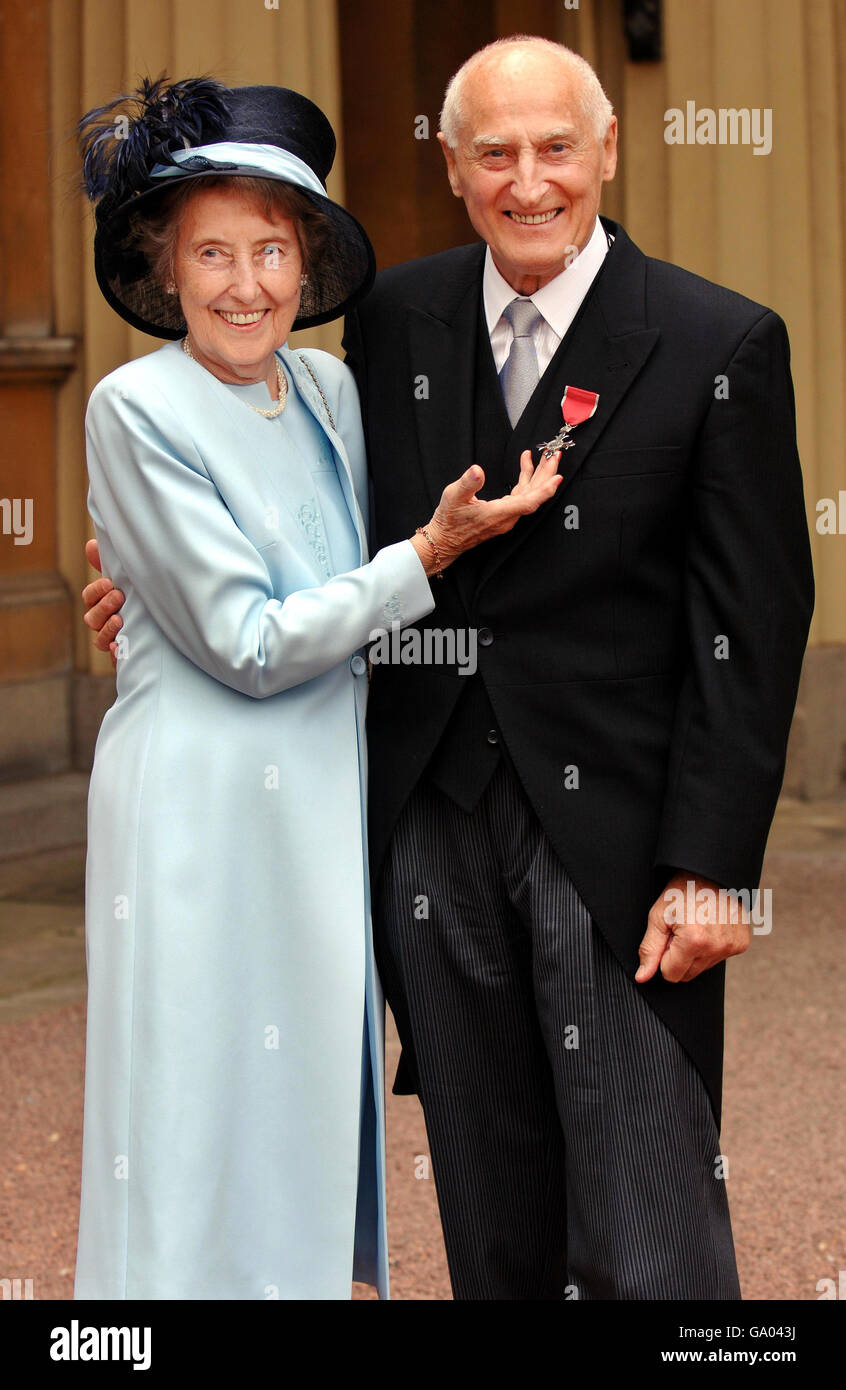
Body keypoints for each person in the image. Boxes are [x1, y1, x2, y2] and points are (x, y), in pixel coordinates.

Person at [86, 40, 815, 1300]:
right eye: (496, 153)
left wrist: (717, 869)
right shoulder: (388, 325)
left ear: (608, 154)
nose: (529, 182)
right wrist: (144, 591)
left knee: (653, 1241)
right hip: (427, 826)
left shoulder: (719, 339)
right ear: (454, 167)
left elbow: (754, 625)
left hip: (623, 846)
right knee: (490, 1222)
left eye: (555, 148)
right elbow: (299, 535)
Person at [73, 75, 563, 1301]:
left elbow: (331, 598)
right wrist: (427, 557)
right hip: (194, 807)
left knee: (295, 1091)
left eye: (272, 251)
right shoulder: (132, 407)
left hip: (319, 799)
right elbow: (245, 639)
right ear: (163, 267)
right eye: (214, 253)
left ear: (307, 264)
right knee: (186, 1102)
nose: (246, 284)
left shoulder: (336, 393)